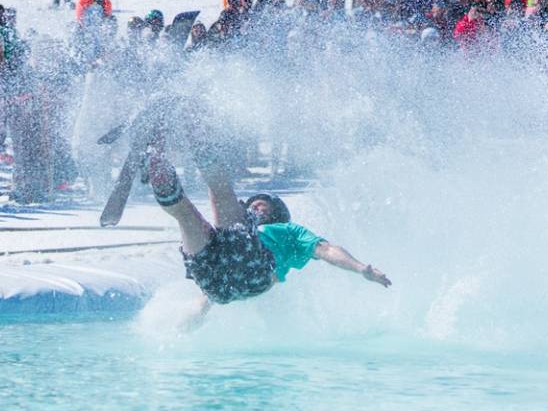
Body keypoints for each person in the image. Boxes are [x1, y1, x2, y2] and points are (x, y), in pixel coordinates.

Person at [140, 108, 391, 316]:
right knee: (186, 215)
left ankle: (193, 127)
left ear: (277, 214)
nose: (255, 206)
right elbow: (206, 302)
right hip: (215, 284)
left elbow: (326, 250)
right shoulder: (234, 230)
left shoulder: (289, 232)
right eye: (254, 204)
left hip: (254, 272)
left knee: (222, 196)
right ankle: (156, 160)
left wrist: (360, 268)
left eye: (263, 204)